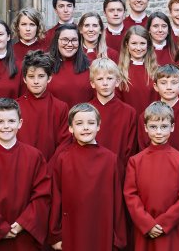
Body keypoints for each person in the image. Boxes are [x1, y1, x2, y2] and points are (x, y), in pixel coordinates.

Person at [0, 98, 53, 250]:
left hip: (25, 235)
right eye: (0, 122)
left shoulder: (35, 156)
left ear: (20, 123)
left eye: (11, 121)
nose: (6, 126)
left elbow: (42, 195)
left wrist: (23, 223)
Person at [48, 103, 127, 250]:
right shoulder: (63, 158)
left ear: (98, 126)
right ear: (71, 128)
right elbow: (56, 198)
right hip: (72, 230)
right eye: (79, 123)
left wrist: (118, 239)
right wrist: (55, 234)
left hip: (102, 231)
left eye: (91, 123)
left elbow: (118, 202)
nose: (85, 127)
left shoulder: (111, 159)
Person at [124, 102, 179, 251]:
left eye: (164, 127)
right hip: (145, 229)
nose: (158, 132)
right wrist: (147, 224)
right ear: (145, 128)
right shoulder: (135, 161)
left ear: (172, 127)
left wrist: (164, 223)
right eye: (153, 126)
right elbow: (130, 195)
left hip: (174, 229)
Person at [16, 51, 72, 160]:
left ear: (49, 78)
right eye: (31, 76)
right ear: (24, 79)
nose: (36, 81)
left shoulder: (60, 107)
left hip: (51, 170)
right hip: (21, 166)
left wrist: (49, 170)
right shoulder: (15, 107)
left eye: (41, 76)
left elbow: (64, 144)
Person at [89, 57, 140, 171]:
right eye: (100, 79)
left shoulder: (129, 112)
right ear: (92, 83)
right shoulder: (85, 111)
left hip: (119, 172)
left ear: (117, 82)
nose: (105, 83)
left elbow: (131, 149)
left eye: (110, 78)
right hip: (90, 171)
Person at [46, 24, 94, 105]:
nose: (70, 44)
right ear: (56, 41)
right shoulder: (46, 66)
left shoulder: (91, 66)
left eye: (74, 40)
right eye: (65, 39)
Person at [118, 26, 160, 114]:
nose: (138, 48)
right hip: (129, 121)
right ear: (127, 44)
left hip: (153, 122)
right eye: (134, 43)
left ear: (148, 45)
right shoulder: (119, 72)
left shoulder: (157, 71)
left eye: (142, 43)